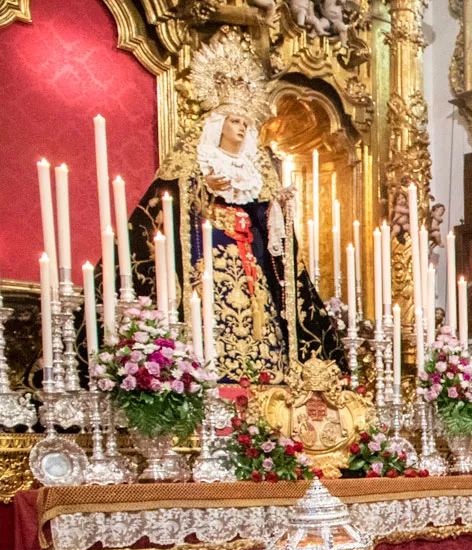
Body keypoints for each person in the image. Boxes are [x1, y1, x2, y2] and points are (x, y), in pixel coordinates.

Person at [129, 29, 339, 384]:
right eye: (234, 121)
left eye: (245, 123)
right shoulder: (195, 161)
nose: (241, 128)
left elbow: (265, 225)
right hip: (210, 255)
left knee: (260, 309)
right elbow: (162, 205)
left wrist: (277, 209)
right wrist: (199, 188)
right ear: (217, 124)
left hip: (249, 259)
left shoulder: (254, 170)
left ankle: (264, 379)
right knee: (214, 312)